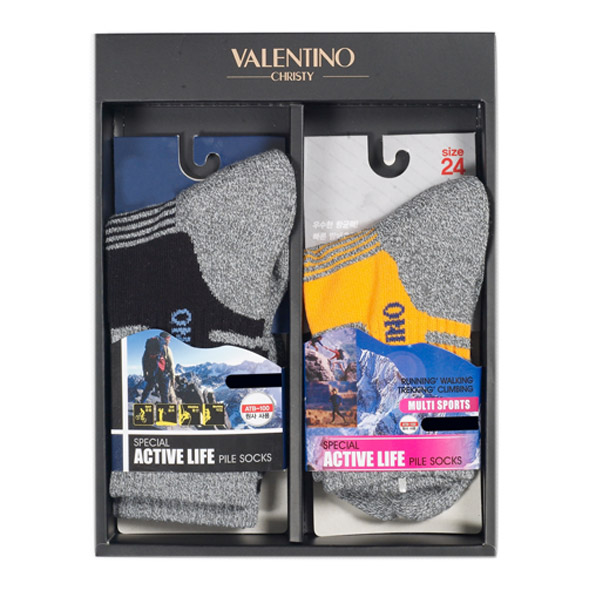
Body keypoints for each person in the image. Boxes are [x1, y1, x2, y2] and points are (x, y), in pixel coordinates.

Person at [140, 332, 175, 403]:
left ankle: (141, 403)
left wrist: (145, 373)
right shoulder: (167, 348)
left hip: (152, 372)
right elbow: (171, 364)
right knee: (164, 394)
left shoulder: (149, 347)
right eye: (169, 339)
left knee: (148, 389)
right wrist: (173, 377)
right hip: (163, 373)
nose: (169, 341)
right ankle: (165, 408)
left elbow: (144, 360)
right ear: (166, 339)